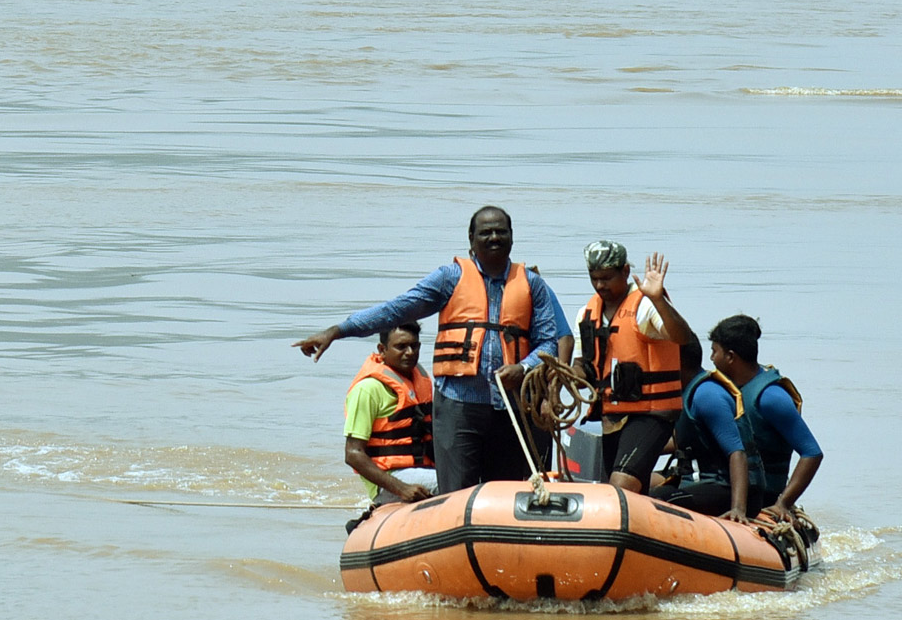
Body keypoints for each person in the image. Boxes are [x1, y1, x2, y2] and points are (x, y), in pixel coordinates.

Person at [295, 205, 564, 493]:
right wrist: (338, 331)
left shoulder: (532, 284)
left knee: (504, 493)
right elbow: (395, 310)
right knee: (457, 492)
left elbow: (550, 342)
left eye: (501, 231)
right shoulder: (450, 278)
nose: (494, 237)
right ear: (471, 240)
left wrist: (523, 368)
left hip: (509, 409)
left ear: (512, 237)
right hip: (458, 406)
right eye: (486, 232)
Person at [574, 240, 692, 495]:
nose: (600, 285)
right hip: (610, 415)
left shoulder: (646, 305)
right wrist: (565, 377)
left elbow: (683, 337)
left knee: (622, 485)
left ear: (625, 272)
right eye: (594, 278)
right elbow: (582, 364)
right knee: (619, 488)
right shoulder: (585, 314)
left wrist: (659, 299)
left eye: (606, 278)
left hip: (652, 415)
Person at [708, 314, 822, 525]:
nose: (712, 359)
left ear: (731, 357)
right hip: (725, 485)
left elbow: (812, 453)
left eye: (715, 352)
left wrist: (783, 503)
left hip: (761, 494)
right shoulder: (727, 390)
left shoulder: (770, 398)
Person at [651, 333, 765, 522]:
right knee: (642, 486)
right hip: (702, 481)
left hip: (726, 488)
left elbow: (737, 452)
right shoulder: (687, 392)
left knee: (658, 500)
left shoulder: (707, 395)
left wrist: (738, 508)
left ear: (676, 361)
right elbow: (680, 441)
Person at [343, 322, 438, 505]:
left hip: (423, 468)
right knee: (457, 484)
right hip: (390, 479)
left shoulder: (422, 381)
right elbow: (353, 454)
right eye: (401, 347)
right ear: (382, 349)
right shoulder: (368, 389)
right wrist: (402, 488)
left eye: (414, 345)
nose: (410, 352)